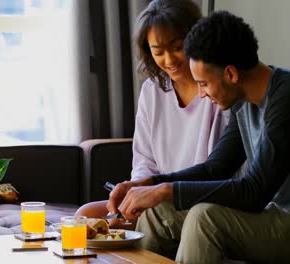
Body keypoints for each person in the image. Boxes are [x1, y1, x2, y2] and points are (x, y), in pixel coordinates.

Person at [107, 11, 290, 263]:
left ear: (230, 74)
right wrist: (150, 184)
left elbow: (254, 191)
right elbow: (215, 168)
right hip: (279, 215)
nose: (202, 94)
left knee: (205, 219)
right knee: (158, 212)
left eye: (204, 84)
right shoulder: (244, 101)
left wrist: (166, 189)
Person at [75, 0, 230, 222]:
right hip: (156, 196)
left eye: (178, 48)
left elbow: (219, 168)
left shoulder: (217, 89)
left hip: (198, 199)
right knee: (85, 216)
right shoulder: (152, 89)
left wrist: (158, 194)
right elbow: (144, 160)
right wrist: (136, 194)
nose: (169, 60)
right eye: (158, 52)